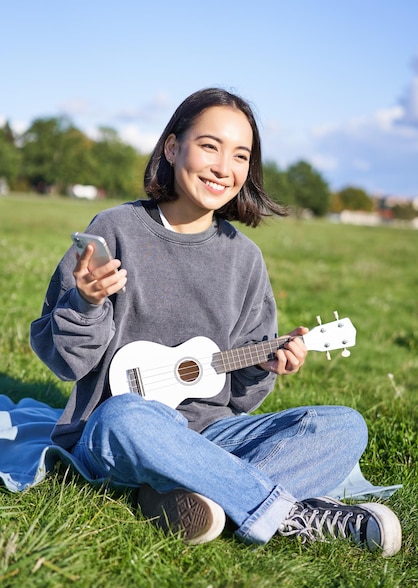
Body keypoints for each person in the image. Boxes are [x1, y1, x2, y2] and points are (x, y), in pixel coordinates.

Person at [30, 87, 402, 555]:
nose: (224, 167)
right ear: (172, 147)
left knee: (345, 426)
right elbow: (65, 361)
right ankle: (288, 514)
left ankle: (185, 494)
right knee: (126, 417)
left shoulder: (244, 258)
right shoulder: (113, 229)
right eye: (210, 146)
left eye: (240, 155)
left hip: (212, 435)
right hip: (117, 431)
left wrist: (264, 366)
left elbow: (240, 396)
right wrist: (85, 304)